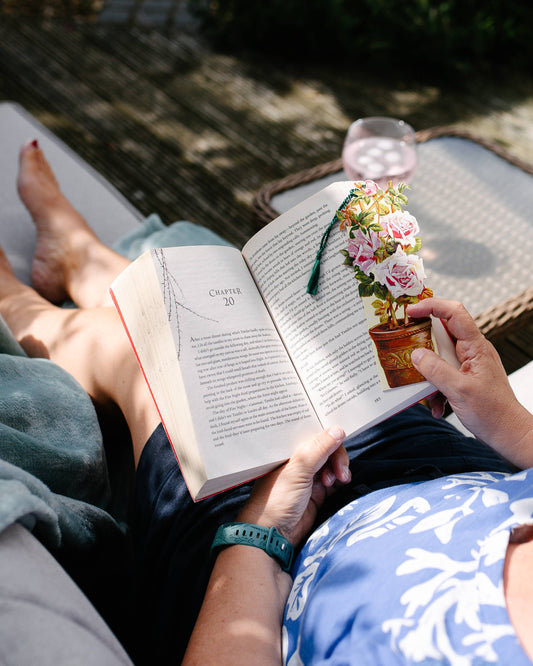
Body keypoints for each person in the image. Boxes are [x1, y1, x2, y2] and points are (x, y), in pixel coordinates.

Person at [5, 139, 533, 664]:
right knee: (241, 336)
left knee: (144, 354)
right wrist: (508, 421)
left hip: (265, 581)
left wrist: (260, 532)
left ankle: (24, 305)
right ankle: (87, 262)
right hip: (448, 474)